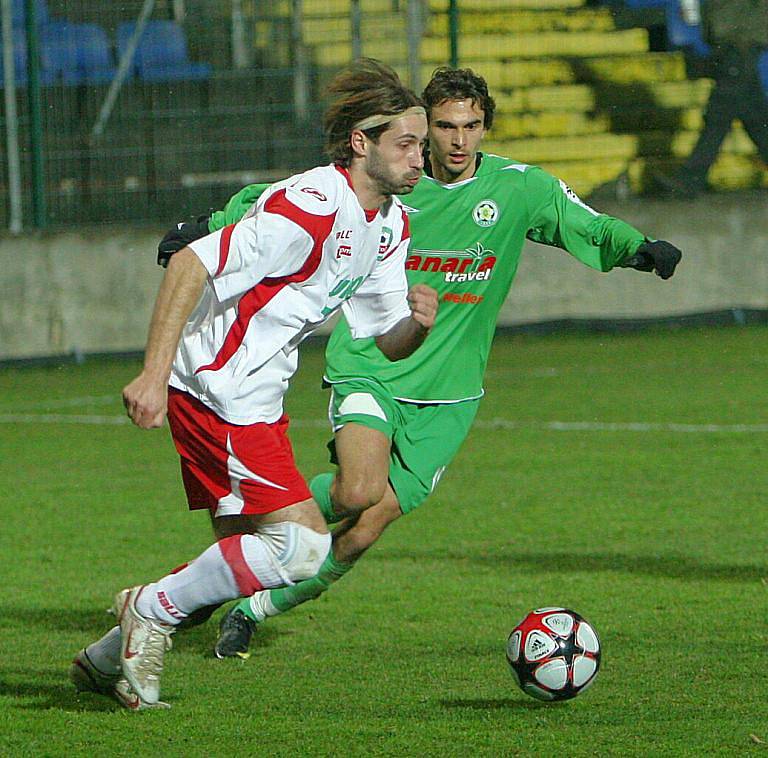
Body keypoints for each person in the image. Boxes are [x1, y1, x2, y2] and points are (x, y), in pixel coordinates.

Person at [153, 67, 683, 662]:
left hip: (451, 391)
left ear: (486, 128)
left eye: (472, 126)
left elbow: (581, 222)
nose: (459, 140)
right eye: (446, 126)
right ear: (423, 128)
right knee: (358, 487)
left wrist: (637, 248)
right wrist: (210, 224)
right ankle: (242, 549)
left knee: (365, 527)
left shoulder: (518, 189)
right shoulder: (394, 184)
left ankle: (251, 608)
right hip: (374, 361)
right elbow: (280, 202)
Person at [69, 58, 438, 710]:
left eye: (422, 145)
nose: (419, 157)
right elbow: (190, 262)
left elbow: (385, 336)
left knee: (244, 555)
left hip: (254, 396)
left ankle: (106, 660)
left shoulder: (387, 224)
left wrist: (418, 323)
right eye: (406, 143)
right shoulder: (311, 209)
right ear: (362, 142)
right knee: (301, 548)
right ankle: (145, 608)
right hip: (216, 388)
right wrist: (153, 376)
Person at [656, 0, 768, 197]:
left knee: (719, 116)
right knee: (755, 118)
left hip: (740, 42)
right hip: (735, 41)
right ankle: (689, 181)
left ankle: (689, 181)